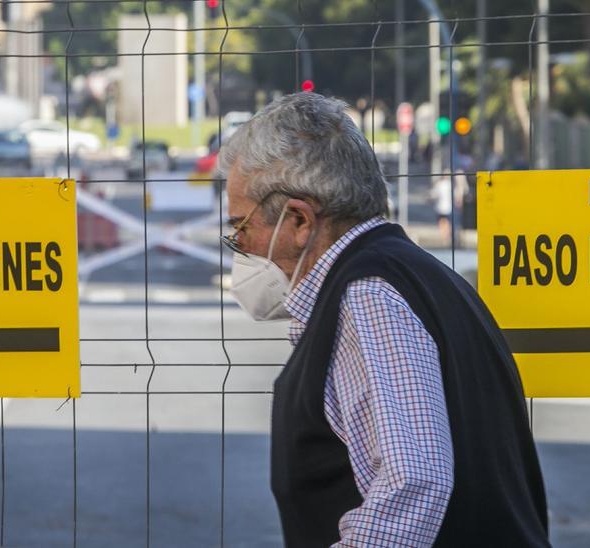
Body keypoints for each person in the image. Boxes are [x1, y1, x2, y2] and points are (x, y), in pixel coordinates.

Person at [219, 92, 549, 547]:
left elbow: (412, 485)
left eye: (241, 228)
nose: (241, 247)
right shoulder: (421, 276)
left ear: (297, 219)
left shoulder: (369, 296)